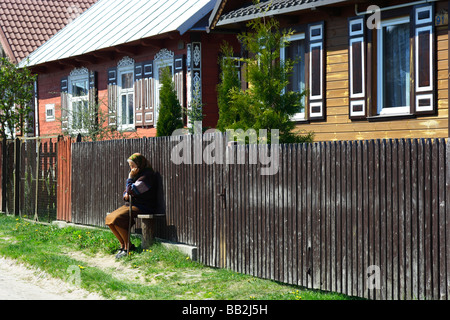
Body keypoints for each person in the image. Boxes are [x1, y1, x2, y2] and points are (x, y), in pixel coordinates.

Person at [105, 153, 157, 259]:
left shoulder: (147, 176)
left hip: (143, 206)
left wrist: (130, 178)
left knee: (117, 218)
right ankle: (123, 245)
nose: (131, 168)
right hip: (132, 204)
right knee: (109, 219)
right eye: (130, 166)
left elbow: (131, 190)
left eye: (132, 165)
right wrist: (127, 194)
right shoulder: (138, 174)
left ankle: (128, 247)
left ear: (139, 164)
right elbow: (126, 192)